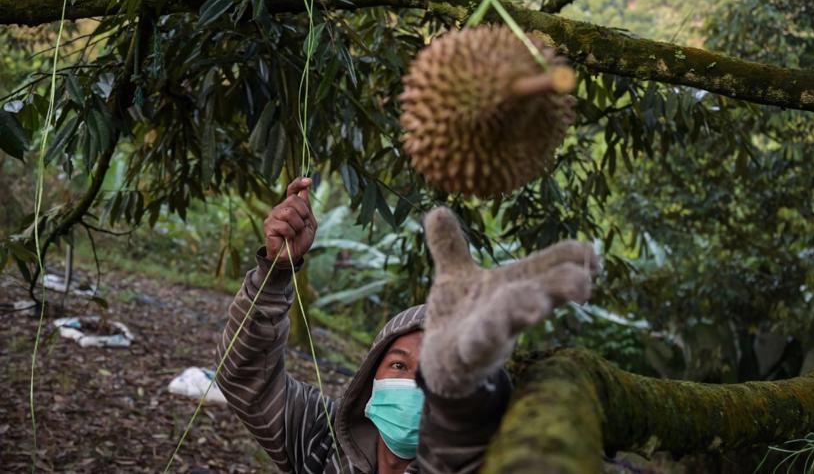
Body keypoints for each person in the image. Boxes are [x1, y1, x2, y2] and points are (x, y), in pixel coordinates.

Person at [217, 177, 598, 474]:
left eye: (431, 373)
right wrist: (277, 270)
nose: (414, 384)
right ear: (371, 380)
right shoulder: (320, 438)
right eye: (398, 365)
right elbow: (245, 377)